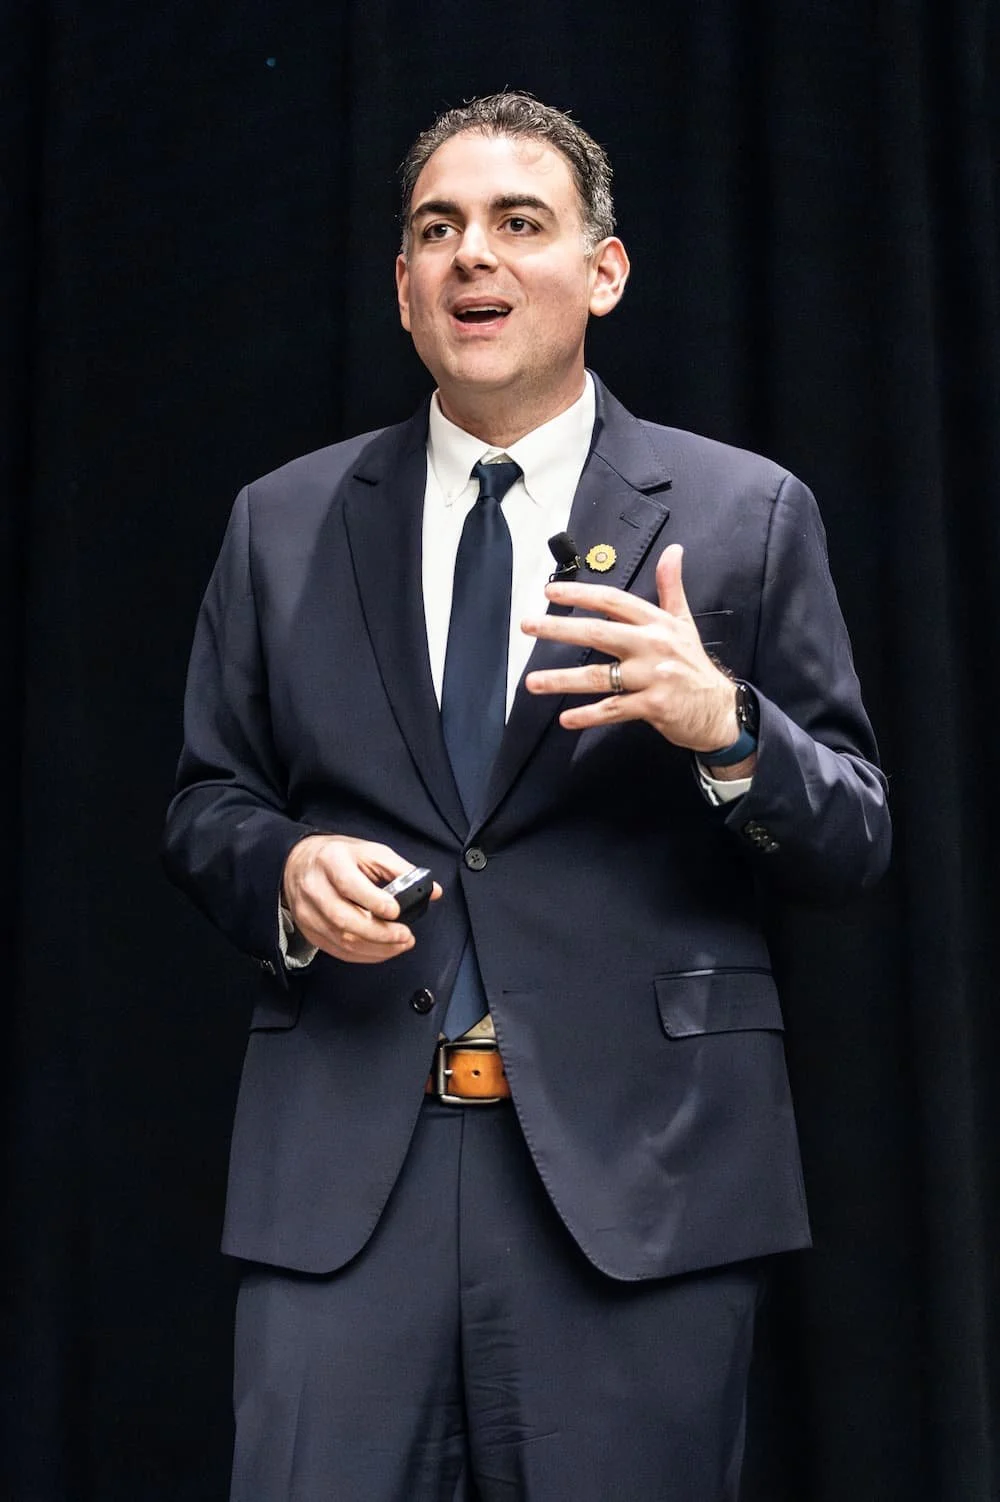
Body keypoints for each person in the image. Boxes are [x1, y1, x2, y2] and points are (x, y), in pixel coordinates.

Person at [163, 91, 890, 1502]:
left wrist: (724, 725)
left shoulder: (743, 516)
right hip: (345, 1190)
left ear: (602, 272)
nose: (471, 258)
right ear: (402, 286)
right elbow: (208, 801)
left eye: (517, 223)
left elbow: (853, 835)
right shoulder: (286, 520)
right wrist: (287, 868)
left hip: (641, 1185)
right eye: (438, 230)